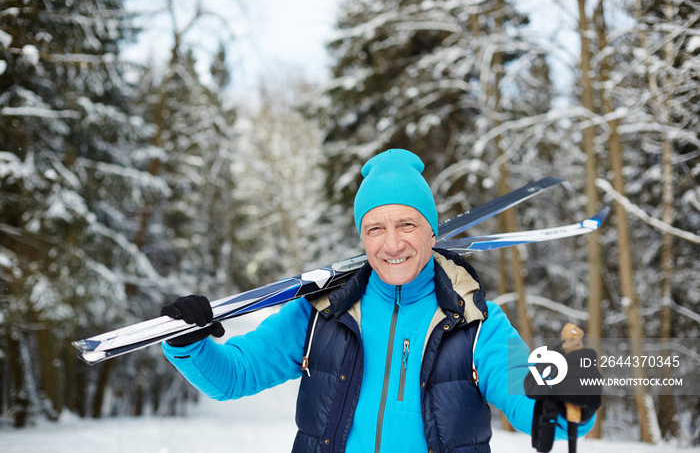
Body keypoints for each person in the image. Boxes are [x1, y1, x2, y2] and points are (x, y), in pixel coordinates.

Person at [161, 148, 601, 453]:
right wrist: (189, 343)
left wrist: (557, 401)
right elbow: (234, 376)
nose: (392, 244)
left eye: (407, 225)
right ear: (362, 237)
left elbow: (521, 387)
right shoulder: (319, 313)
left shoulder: (476, 319)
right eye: (375, 228)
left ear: (431, 231)